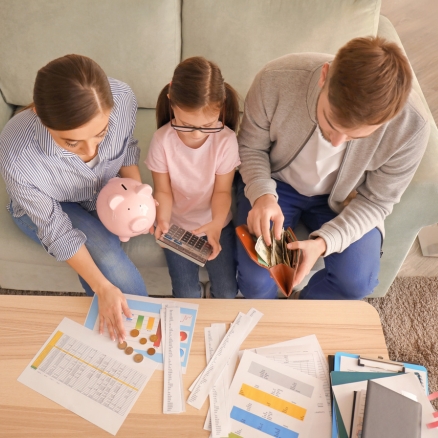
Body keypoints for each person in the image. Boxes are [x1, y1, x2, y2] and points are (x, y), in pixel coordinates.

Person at [236, 36, 430, 300]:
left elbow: (377, 201)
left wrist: (324, 243)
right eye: (330, 121)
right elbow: (251, 147)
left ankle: (303, 313)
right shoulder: (275, 79)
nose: (336, 141)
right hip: (278, 184)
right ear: (324, 76)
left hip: (348, 198)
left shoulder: (411, 127)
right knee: (256, 281)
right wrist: (262, 195)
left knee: (357, 283)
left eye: (355, 137)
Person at [0, 54, 148, 340]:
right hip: (49, 204)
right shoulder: (17, 156)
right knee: (105, 251)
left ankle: (116, 327)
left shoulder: (123, 98)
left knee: (106, 257)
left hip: (103, 192)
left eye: (100, 135)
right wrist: (103, 288)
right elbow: (57, 232)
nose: (90, 152)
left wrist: (136, 194)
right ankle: (140, 334)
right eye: (72, 142)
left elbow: (127, 146)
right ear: (40, 118)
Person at [146, 57, 241, 298]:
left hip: (217, 223)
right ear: (171, 98)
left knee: (228, 293)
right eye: (186, 125)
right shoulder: (162, 140)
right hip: (177, 226)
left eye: (208, 125)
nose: (197, 134)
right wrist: (163, 220)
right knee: (185, 294)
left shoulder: (226, 140)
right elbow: (163, 191)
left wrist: (217, 224)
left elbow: (222, 191)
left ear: (221, 107)